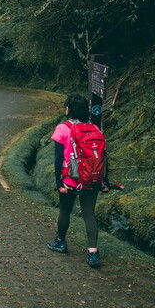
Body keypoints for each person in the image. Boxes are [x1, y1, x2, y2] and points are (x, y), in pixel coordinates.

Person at [47, 94, 105, 267]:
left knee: (65, 210)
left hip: (70, 180)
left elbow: (58, 158)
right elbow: (102, 156)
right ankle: (93, 253)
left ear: (69, 109)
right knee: (89, 214)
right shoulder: (94, 127)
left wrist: (59, 182)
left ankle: (61, 241)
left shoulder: (62, 128)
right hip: (91, 179)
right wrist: (104, 180)